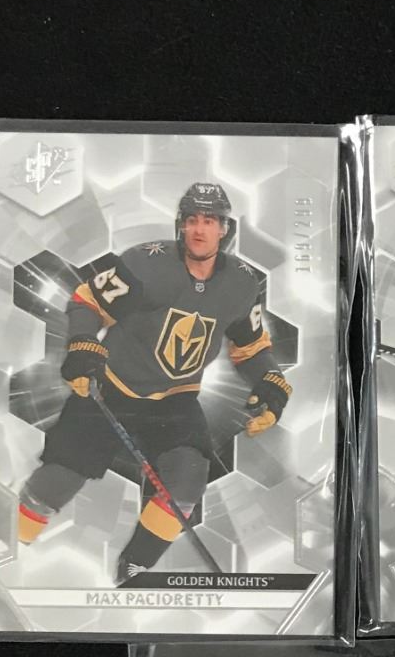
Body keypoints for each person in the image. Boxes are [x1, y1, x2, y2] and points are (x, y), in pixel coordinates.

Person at [14, 181, 291, 582]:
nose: (199, 229)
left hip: (176, 402)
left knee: (186, 482)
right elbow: (88, 301)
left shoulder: (242, 283)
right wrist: (82, 344)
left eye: (209, 220)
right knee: (57, 481)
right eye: (192, 219)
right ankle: (7, 547)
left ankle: (134, 569)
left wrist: (271, 381)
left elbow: (250, 347)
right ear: (181, 224)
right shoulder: (145, 263)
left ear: (225, 229)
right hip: (110, 388)